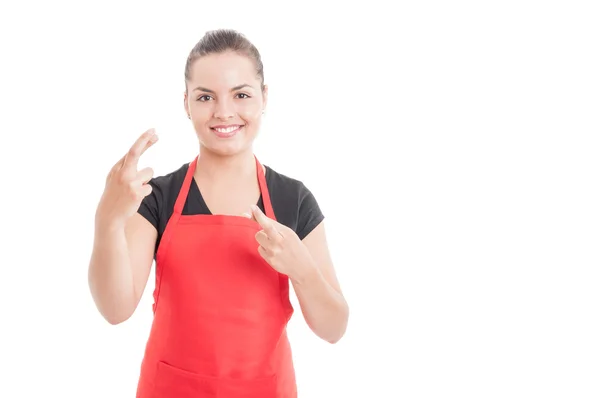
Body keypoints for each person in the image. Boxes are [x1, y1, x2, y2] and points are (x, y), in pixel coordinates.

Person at [87, 29, 349, 397]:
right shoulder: (158, 197)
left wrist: (303, 270)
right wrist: (107, 221)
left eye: (241, 94)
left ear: (264, 98)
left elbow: (334, 328)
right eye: (206, 97)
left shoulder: (293, 200)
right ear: (186, 104)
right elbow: (115, 309)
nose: (224, 112)